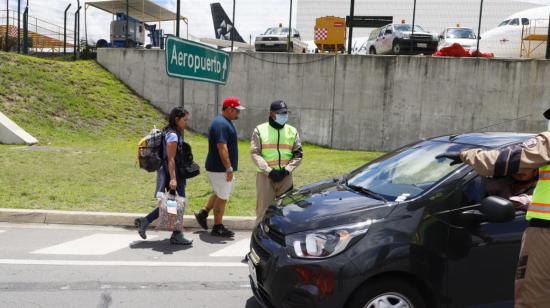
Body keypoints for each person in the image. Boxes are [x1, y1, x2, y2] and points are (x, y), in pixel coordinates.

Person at [437, 108, 550, 308]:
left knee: (534, 299)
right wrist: (525, 199)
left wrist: (467, 155)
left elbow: (501, 162)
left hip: (545, 234)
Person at [134, 107, 193, 245]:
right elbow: (171, 158)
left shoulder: (169, 131)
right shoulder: (173, 135)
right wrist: (173, 179)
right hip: (174, 173)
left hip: (168, 172)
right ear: (177, 119)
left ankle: (146, 221)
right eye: (184, 120)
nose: (186, 122)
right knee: (179, 203)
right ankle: (176, 234)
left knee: (171, 204)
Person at [194, 97, 244, 237]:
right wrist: (228, 168)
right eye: (237, 111)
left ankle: (203, 213)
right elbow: (222, 147)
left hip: (217, 167)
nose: (238, 114)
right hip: (220, 168)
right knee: (222, 197)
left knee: (218, 192)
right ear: (229, 109)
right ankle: (217, 227)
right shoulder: (221, 124)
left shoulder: (223, 122)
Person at [251, 100, 303, 225]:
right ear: (271, 114)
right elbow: (255, 153)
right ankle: (259, 239)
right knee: (263, 211)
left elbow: (298, 154)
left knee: (286, 211)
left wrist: (287, 170)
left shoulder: (292, 131)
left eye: (285, 112)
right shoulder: (259, 130)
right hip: (265, 177)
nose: (284, 115)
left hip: (285, 177)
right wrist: (269, 171)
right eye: (280, 113)